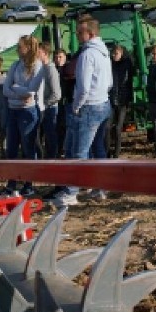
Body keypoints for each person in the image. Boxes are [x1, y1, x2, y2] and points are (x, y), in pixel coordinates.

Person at [51, 14, 112, 207]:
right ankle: (100, 187)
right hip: (103, 103)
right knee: (98, 149)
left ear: (90, 33)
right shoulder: (104, 53)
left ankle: (71, 192)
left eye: (80, 32)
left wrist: (76, 106)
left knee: (79, 150)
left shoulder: (87, 55)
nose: (77, 35)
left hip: (88, 106)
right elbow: (109, 83)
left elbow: (83, 87)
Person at [1, 35, 44, 197]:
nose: (18, 50)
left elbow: (31, 92)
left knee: (28, 148)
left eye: (20, 47)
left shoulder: (37, 66)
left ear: (28, 48)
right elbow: (6, 90)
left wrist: (16, 89)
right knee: (11, 148)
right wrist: (20, 92)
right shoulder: (15, 65)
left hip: (28, 111)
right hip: (13, 110)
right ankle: (11, 183)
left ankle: (29, 183)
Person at [107, 45, 133, 158]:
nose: (114, 56)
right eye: (113, 54)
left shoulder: (126, 64)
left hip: (122, 101)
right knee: (107, 127)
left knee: (118, 127)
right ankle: (107, 152)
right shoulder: (110, 65)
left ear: (121, 54)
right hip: (112, 100)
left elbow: (130, 79)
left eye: (116, 54)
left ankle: (117, 153)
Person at [38, 41, 62, 159]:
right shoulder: (41, 68)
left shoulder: (51, 70)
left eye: (39, 52)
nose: (37, 54)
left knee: (50, 136)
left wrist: (44, 104)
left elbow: (56, 94)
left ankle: (52, 158)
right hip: (42, 107)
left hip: (50, 108)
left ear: (45, 53)